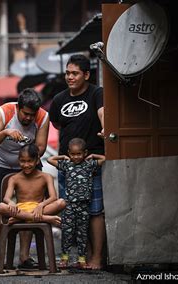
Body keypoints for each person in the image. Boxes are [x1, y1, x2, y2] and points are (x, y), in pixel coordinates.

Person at [49, 54, 106, 270]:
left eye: (75, 73)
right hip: (67, 166)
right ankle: (77, 257)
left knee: (94, 210)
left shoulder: (96, 93)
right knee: (70, 213)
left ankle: (96, 258)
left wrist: (104, 126)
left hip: (90, 164)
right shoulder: (59, 99)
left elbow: (102, 111)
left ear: (86, 74)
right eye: (67, 73)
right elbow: (56, 123)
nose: (70, 77)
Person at [0, 88, 50, 270]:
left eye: (32, 115)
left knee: (28, 208)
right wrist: (5, 133)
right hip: (1, 163)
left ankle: (24, 257)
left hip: (28, 164)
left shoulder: (43, 117)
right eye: (26, 114)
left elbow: (41, 147)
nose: (29, 118)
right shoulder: (4, 112)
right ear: (18, 108)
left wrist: (27, 163)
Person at [47, 138, 105, 269]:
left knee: (82, 233)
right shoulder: (67, 165)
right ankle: (64, 259)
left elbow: (104, 159)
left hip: (84, 206)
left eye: (79, 154)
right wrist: (62, 156)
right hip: (69, 206)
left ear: (85, 153)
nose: (76, 157)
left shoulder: (89, 165)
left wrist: (94, 156)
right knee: (67, 232)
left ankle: (82, 259)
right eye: (72, 154)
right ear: (69, 153)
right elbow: (49, 160)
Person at [0, 144, 65, 226]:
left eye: (29, 161)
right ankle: (41, 218)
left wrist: (41, 205)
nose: (26, 165)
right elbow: (6, 198)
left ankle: (21, 218)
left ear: (37, 161)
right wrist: (10, 202)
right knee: (0, 206)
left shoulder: (46, 177)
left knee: (61, 202)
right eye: (23, 161)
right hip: (20, 209)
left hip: (38, 209)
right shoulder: (14, 178)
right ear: (18, 160)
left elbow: (53, 197)